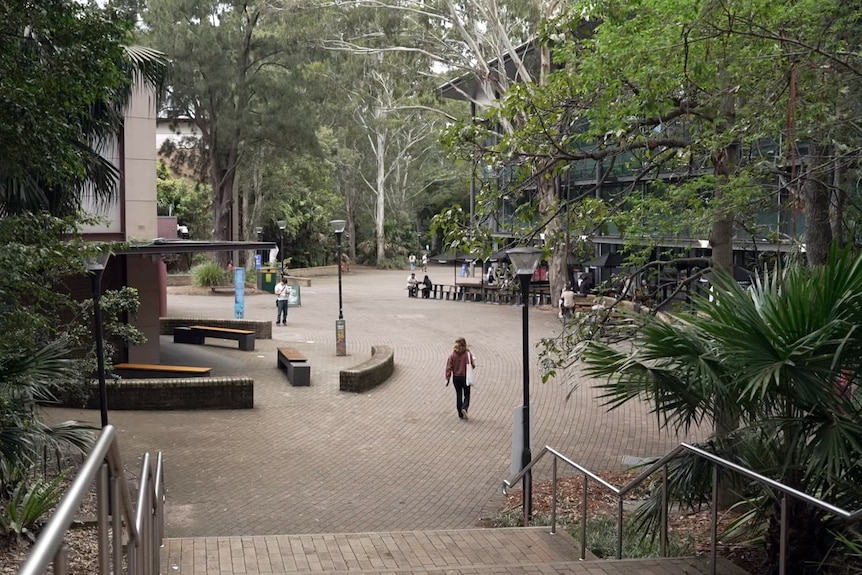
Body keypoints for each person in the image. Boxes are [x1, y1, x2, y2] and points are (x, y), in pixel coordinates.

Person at [445, 337, 476, 420]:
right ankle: (464, 407)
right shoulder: (468, 354)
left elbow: (449, 367)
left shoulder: (452, 355)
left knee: (459, 394)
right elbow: (473, 365)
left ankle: (460, 413)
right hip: (465, 377)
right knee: (467, 394)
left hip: (456, 378)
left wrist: (448, 378)